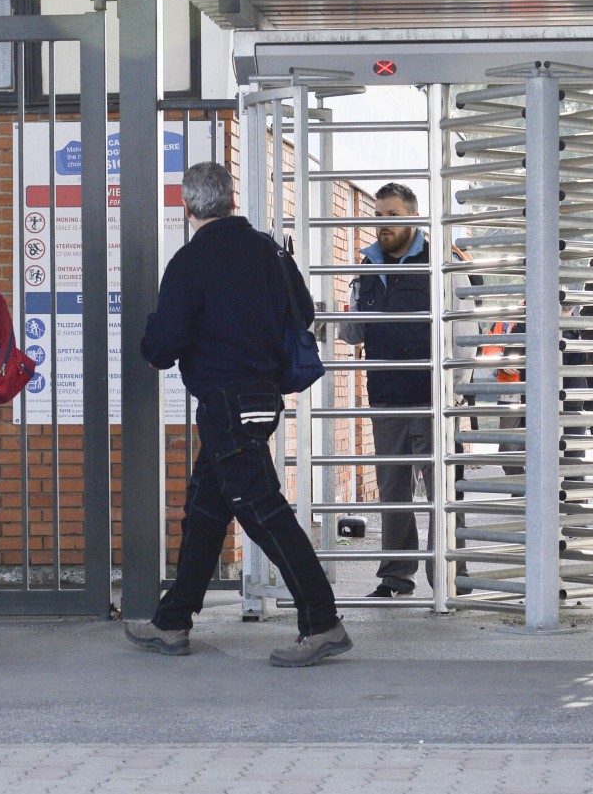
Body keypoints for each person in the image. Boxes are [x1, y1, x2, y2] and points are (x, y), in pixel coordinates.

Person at [126, 161, 352, 668]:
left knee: (262, 510)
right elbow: (305, 313)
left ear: (187, 208)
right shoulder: (270, 250)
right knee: (206, 510)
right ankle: (173, 621)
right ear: (232, 200)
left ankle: (322, 621)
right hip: (263, 397)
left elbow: (161, 348)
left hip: (225, 404)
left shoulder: (190, 262)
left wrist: (158, 333)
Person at [340, 182, 470, 599]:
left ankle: (450, 576)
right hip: (387, 396)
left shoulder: (442, 262)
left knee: (442, 492)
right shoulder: (367, 267)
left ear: (413, 217)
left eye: (392, 216)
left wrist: (455, 393)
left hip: (433, 398)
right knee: (393, 491)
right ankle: (396, 577)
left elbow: (466, 328)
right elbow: (352, 332)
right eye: (379, 216)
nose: (383, 225)